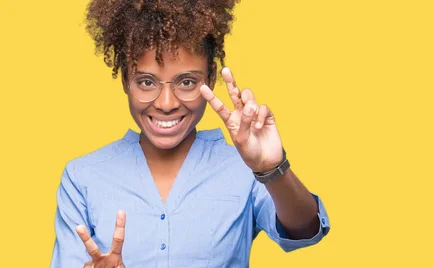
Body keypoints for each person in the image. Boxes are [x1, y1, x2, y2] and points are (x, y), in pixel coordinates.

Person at [50, 0, 330, 267]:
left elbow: (305, 230)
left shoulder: (244, 167)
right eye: (146, 82)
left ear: (210, 77)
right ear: (125, 80)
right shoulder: (82, 176)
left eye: (187, 81)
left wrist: (272, 168)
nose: (166, 103)